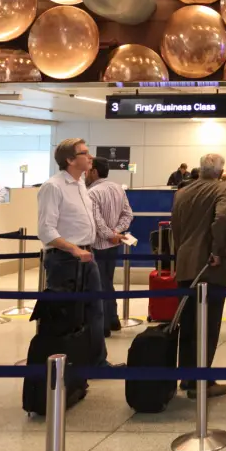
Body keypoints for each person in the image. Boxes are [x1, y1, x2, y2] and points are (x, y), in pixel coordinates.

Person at [170, 153, 226, 399]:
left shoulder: (182, 192)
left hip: (185, 262)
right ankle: (202, 382)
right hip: (209, 266)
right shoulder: (224, 189)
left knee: (188, 323)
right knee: (208, 324)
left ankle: (187, 377)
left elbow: (175, 226)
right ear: (220, 171)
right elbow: (222, 219)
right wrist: (217, 251)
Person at [36, 138, 107, 367]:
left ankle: (96, 362)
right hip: (65, 260)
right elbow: (46, 230)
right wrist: (74, 249)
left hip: (87, 257)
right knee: (66, 315)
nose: (90, 157)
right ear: (69, 159)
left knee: (95, 311)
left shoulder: (81, 185)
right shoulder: (54, 186)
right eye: (85, 153)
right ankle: (64, 365)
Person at [86, 157, 133, 336]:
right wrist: (116, 232)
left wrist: (110, 234)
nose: (85, 174)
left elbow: (96, 221)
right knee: (107, 282)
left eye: (88, 170)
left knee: (99, 284)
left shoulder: (92, 193)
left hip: (98, 246)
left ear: (95, 171)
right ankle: (113, 319)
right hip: (113, 245)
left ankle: (103, 325)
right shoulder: (118, 188)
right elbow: (128, 214)